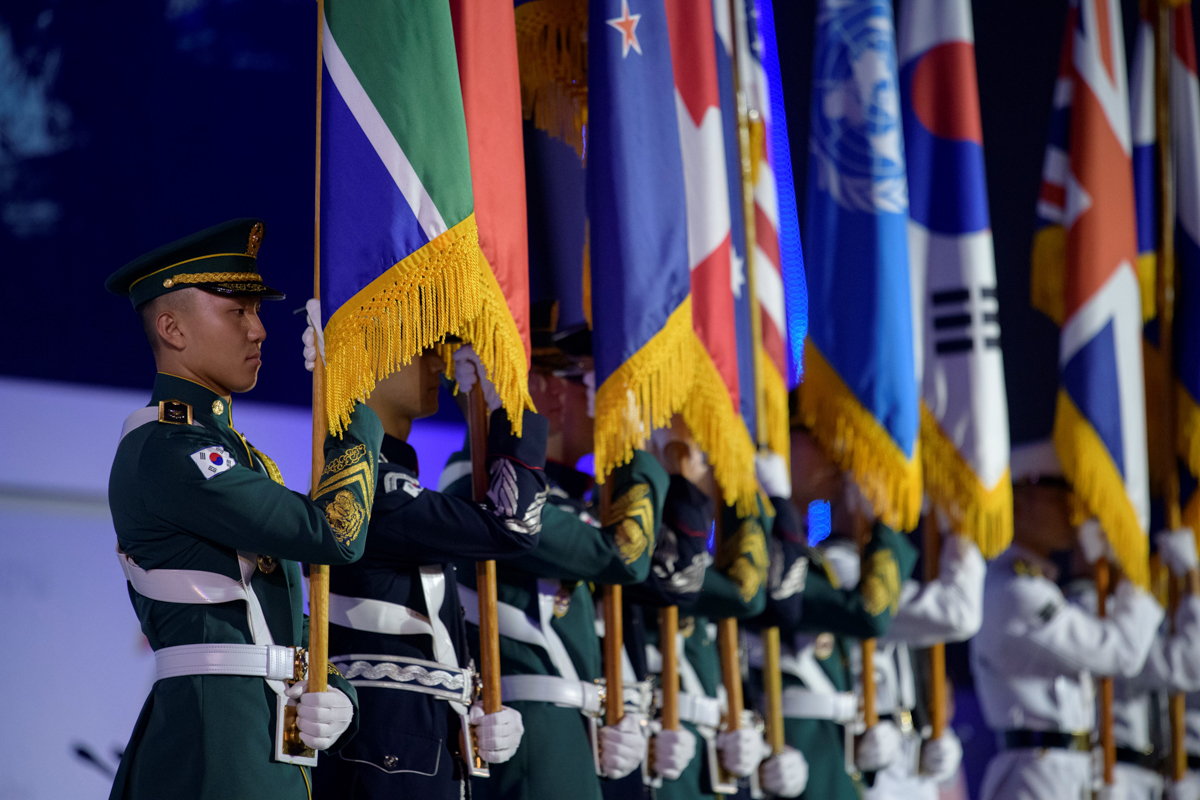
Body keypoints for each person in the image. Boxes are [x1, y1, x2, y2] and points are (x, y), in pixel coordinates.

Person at [104, 218, 382, 800]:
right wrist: (353, 405)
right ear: (172, 328)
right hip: (215, 747)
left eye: (256, 312)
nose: (258, 330)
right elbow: (334, 533)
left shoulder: (232, 452)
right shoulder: (168, 448)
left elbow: (282, 617)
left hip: (257, 735)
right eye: (237, 312)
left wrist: (339, 693)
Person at [302, 329, 549, 798]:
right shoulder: (375, 490)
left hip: (417, 745)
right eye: (424, 349)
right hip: (385, 754)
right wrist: (508, 413)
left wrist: (471, 701)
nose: (441, 365)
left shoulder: (391, 482)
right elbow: (512, 525)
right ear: (369, 358)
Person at [440, 321, 669, 800]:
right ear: (548, 391)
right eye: (588, 380)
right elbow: (625, 554)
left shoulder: (567, 500)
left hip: (572, 736)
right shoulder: (479, 489)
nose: (603, 399)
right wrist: (636, 451)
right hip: (534, 742)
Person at [971, 442, 1164, 800]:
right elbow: (1120, 653)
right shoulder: (1016, 591)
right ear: (1022, 499)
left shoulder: (1038, 585)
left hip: (1065, 771)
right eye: (1058, 498)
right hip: (1037, 776)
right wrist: (1134, 577)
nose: (1072, 513)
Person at [744, 425, 919, 800]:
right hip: (789, 758)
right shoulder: (759, 551)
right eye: (816, 438)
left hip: (833, 763)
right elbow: (869, 614)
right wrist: (883, 525)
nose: (836, 455)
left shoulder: (814, 560)